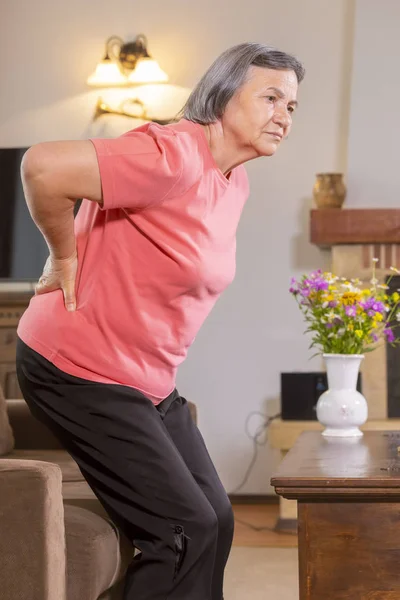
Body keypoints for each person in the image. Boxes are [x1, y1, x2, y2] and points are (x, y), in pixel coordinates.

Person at [16, 42, 304, 600]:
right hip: (78, 368)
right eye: (270, 97)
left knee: (216, 519)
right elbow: (43, 167)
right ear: (222, 94)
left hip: (145, 379)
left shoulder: (233, 179)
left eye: (292, 106)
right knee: (181, 532)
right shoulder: (172, 155)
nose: (284, 116)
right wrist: (64, 253)